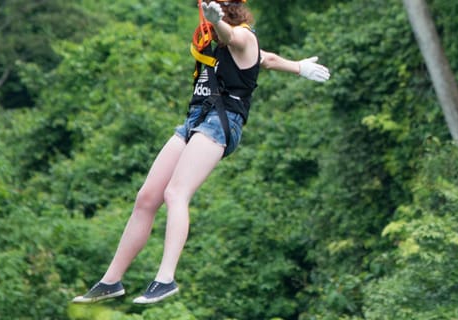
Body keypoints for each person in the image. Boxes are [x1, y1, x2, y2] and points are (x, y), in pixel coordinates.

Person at [72, 0, 330, 304]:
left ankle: (165, 279)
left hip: (223, 123)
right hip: (196, 119)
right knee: (147, 197)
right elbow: (267, 59)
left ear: (224, 11)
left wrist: (217, 21)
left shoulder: (243, 36)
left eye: (212, 13)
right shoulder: (214, 42)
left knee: (176, 193)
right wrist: (299, 67)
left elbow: (237, 40)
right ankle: (110, 281)